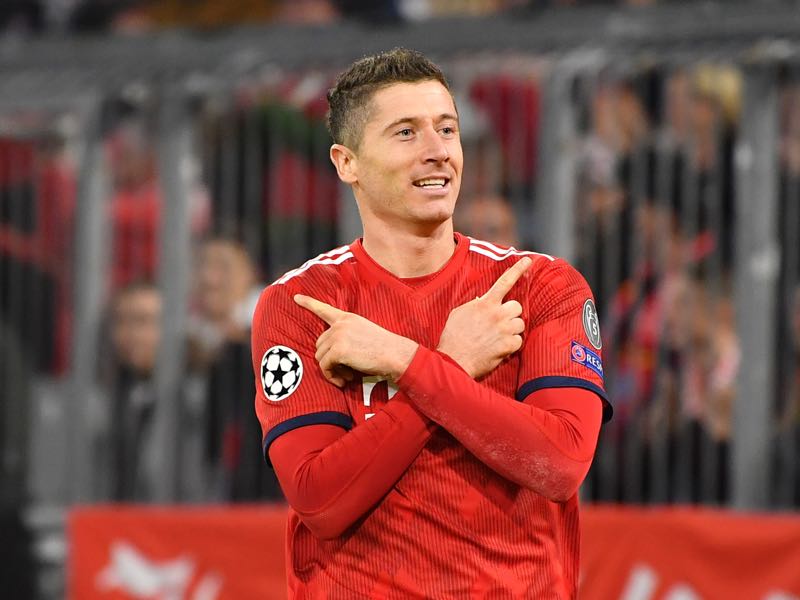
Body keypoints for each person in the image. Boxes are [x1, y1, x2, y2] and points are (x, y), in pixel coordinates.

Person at [251, 48, 611, 598]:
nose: (438, 151)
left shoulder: (538, 286)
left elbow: (558, 463)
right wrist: (450, 365)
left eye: (447, 128)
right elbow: (319, 499)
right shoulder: (303, 303)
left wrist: (408, 363)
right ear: (347, 162)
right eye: (406, 133)